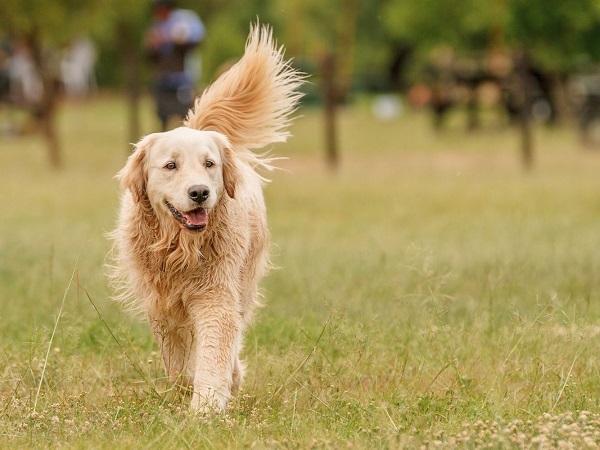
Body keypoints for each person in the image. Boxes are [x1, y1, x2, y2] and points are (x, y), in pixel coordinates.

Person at [145, 0, 205, 130]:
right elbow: (151, 54)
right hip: (163, 80)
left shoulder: (183, 22)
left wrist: (171, 39)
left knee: (185, 115)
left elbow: (194, 42)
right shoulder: (156, 27)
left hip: (181, 79)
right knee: (163, 115)